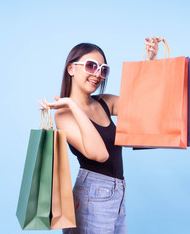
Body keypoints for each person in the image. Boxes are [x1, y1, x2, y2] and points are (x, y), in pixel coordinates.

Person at [38, 36, 160, 234]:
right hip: (91, 196)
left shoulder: (104, 102)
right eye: (91, 66)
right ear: (71, 69)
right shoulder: (64, 115)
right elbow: (99, 153)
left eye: (103, 69)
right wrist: (71, 104)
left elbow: (143, 104)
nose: (98, 74)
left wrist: (151, 62)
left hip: (117, 192)